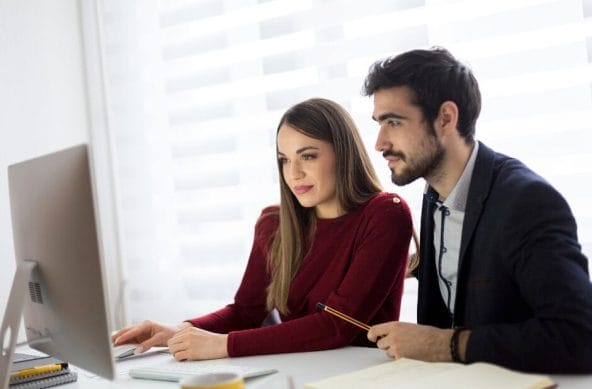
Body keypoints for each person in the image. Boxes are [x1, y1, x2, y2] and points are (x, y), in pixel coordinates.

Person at [112, 98, 413, 360]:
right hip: (293, 371)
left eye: (308, 156)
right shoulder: (274, 224)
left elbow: (338, 326)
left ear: (343, 154)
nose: (293, 174)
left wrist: (224, 345)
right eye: (284, 160)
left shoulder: (386, 213)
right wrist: (181, 331)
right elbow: (246, 312)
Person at [362, 47, 592, 373]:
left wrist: (443, 344)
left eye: (393, 122)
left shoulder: (526, 201)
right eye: (379, 124)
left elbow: (580, 336)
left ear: (445, 118)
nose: (380, 143)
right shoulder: (434, 192)